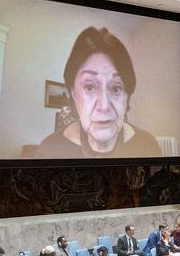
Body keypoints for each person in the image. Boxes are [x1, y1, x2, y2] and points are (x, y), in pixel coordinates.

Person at [34, 27, 160, 158]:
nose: (104, 106)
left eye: (116, 88)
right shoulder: (50, 151)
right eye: (89, 87)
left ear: (127, 95)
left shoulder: (147, 145)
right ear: (73, 93)